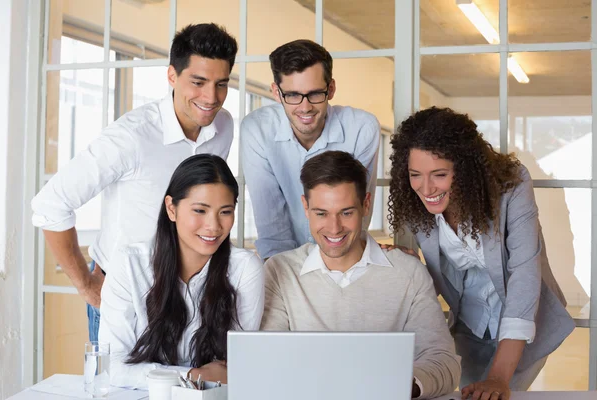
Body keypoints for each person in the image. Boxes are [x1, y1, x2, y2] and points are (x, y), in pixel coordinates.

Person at [31, 23, 238, 341]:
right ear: (172, 76)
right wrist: (87, 287)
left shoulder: (223, 126)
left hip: (186, 296)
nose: (211, 97)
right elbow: (50, 204)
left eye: (221, 84)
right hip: (123, 299)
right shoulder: (130, 136)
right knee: (119, 391)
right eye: (198, 82)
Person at [388, 107, 575, 400]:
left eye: (439, 174)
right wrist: (404, 264)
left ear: (464, 170)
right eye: (415, 175)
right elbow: (439, 273)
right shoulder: (418, 203)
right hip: (468, 324)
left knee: (497, 393)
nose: (426, 188)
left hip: (523, 322)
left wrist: (499, 377)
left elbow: (524, 273)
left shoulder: (511, 184)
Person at [261, 150, 461, 399]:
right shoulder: (281, 271)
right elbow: (268, 360)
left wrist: (397, 385)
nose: (334, 228)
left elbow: (444, 362)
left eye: (346, 213)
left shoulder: (408, 272)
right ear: (305, 207)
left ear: (366, 204)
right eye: (321, 213)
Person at [99, 154, 265, 389]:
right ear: (171, 208)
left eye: (225, 212)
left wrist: (150, 375)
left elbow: (238, 365)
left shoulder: (245, 269)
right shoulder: (129, 265)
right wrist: (193, 375)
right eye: (200, 210)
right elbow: (111, 367)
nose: (213, 226)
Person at [240, 39, 381, 260]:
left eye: (315, 94)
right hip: (283, 262)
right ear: (276, 93)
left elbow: (355, 215)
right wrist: (287, 280)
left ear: (331, 89)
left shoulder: (362, 128)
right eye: (293, 95)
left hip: (344, 258)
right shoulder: (257, 129)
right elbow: (272, 226)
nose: (305, 108)